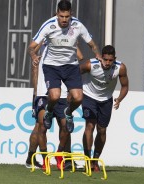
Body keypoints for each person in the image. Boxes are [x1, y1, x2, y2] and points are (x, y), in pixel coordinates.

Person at [28, 0, 102, 135]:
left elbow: (92, 44)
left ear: (71, 14)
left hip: (70, 66)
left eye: (67, 17)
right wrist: (33, 56)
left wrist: (98, 54)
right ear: (57, 14)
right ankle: (49, 112)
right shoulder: (48, 25)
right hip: (52, 66)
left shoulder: (78, 25)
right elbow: (31, 47)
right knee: (54, 96)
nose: (64, 20)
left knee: (78, 98)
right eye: (61, 16)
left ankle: (68, 113)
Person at [25, 40, 84, 170]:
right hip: (43, 93)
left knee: (65, 126)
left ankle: (64, 157)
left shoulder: (68, 43)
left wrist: (72, 41)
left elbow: (80, 56)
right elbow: (32, 52)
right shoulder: (44, 40)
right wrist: (36, 92)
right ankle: (35, 158)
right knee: (41, 125)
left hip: (61, 93)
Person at [80, 45, 129, 171]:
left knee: (102, 130)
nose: (107, 63)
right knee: (90, 125)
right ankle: (87, 160)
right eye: (105, 59)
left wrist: (119, 99)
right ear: (101, 57)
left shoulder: (120, 68)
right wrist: (73, 91)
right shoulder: (90, 64)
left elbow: (125, 86)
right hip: (89, 96)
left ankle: (95, 160)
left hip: (106, 100)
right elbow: (73, 75)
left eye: (110, 60)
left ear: (114, 59)